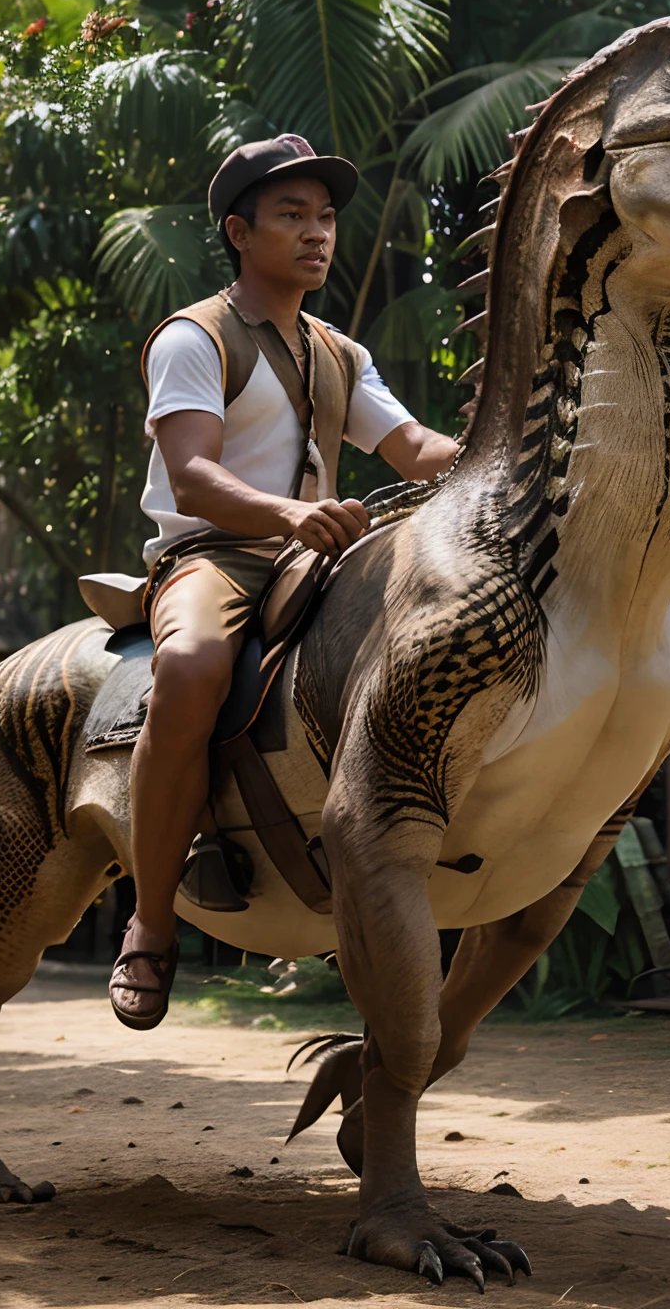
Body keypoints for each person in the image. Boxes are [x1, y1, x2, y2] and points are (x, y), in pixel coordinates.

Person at [108, 133, 460, 1030]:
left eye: (327, 216)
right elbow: (191, 476)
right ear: (240, 230)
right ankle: (150, 924)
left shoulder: (340, 351)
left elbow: (411, 448)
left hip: (325, 554)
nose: (318, 233)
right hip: (215, 556)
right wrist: (290, 513)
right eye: (292, 215)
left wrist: (506, 458)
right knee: (188, 669)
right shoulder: (194, 336)